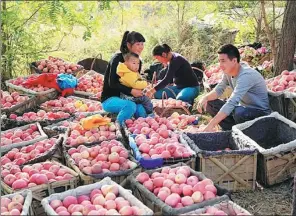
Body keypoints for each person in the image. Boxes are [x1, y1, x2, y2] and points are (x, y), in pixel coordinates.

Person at [196, 44, 271, 132]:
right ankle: (230, 130)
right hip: (242, 108)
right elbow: (219, 89)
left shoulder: (245, 76)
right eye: (219, 61)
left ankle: (246, 133)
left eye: (223, 61)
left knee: (239, 113)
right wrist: (205, 98)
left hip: (260, 113)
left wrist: (211, 124)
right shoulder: (228, 72)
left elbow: (232, 102)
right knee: (210, 103)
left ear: (234, 60)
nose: (220, 65)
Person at [101, 31, 146, 124]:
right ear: (129, 45)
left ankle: (137, 131)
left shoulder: (138, 61)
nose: (141, 47)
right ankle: (119, 128)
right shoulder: (117, 58)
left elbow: (135, 82)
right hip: (110, 99)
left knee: (142, 110)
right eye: (138, 44)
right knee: (130, 106)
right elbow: (112, 83)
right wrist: (131, 91)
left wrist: (141, 90)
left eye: (142, 44)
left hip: (128, 98)